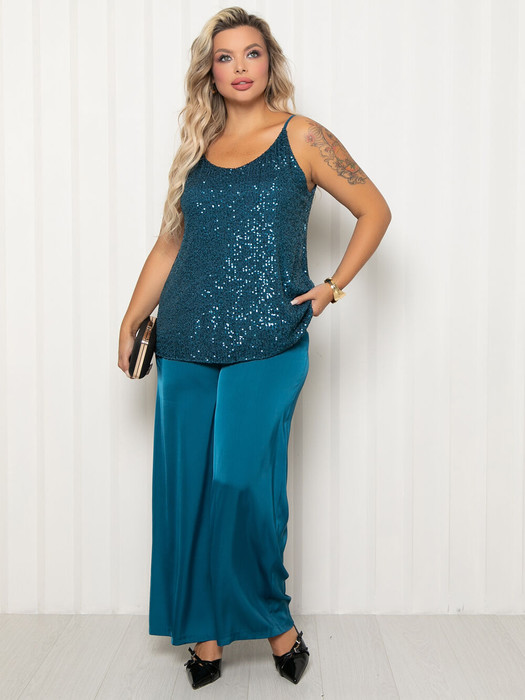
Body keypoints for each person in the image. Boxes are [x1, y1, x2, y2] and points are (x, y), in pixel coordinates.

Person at [118, 5, 391, 690]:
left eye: (251, 54)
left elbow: (374, 210)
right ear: (209, 71)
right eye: (224, 57)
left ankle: (276, 622)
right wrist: (132, 317)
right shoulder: (198, 146)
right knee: (187, 490)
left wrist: (332, 287)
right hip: (184, 339)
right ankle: (205, 637)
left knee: (242, 486)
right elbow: (170, 244)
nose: (239, 67)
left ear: (270, 63)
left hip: (270, 341)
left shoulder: (302, 136)